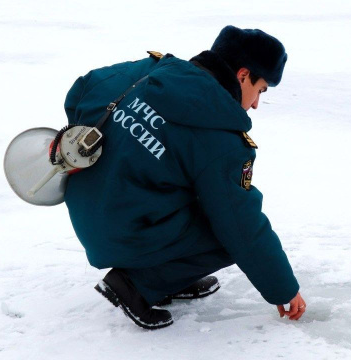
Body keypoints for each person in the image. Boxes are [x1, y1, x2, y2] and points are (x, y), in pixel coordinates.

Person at [63, 25, 305, 330]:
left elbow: (83, 91)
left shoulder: (148, 70)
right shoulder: (219, 136)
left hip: (85, 206)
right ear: (243, 75)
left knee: (199, 192)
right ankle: (136, 285)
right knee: (227, 231)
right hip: (121, 234)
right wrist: (283, 288)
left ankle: (170, 281)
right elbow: (241, 226)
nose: (256, 103)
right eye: (261, 90)